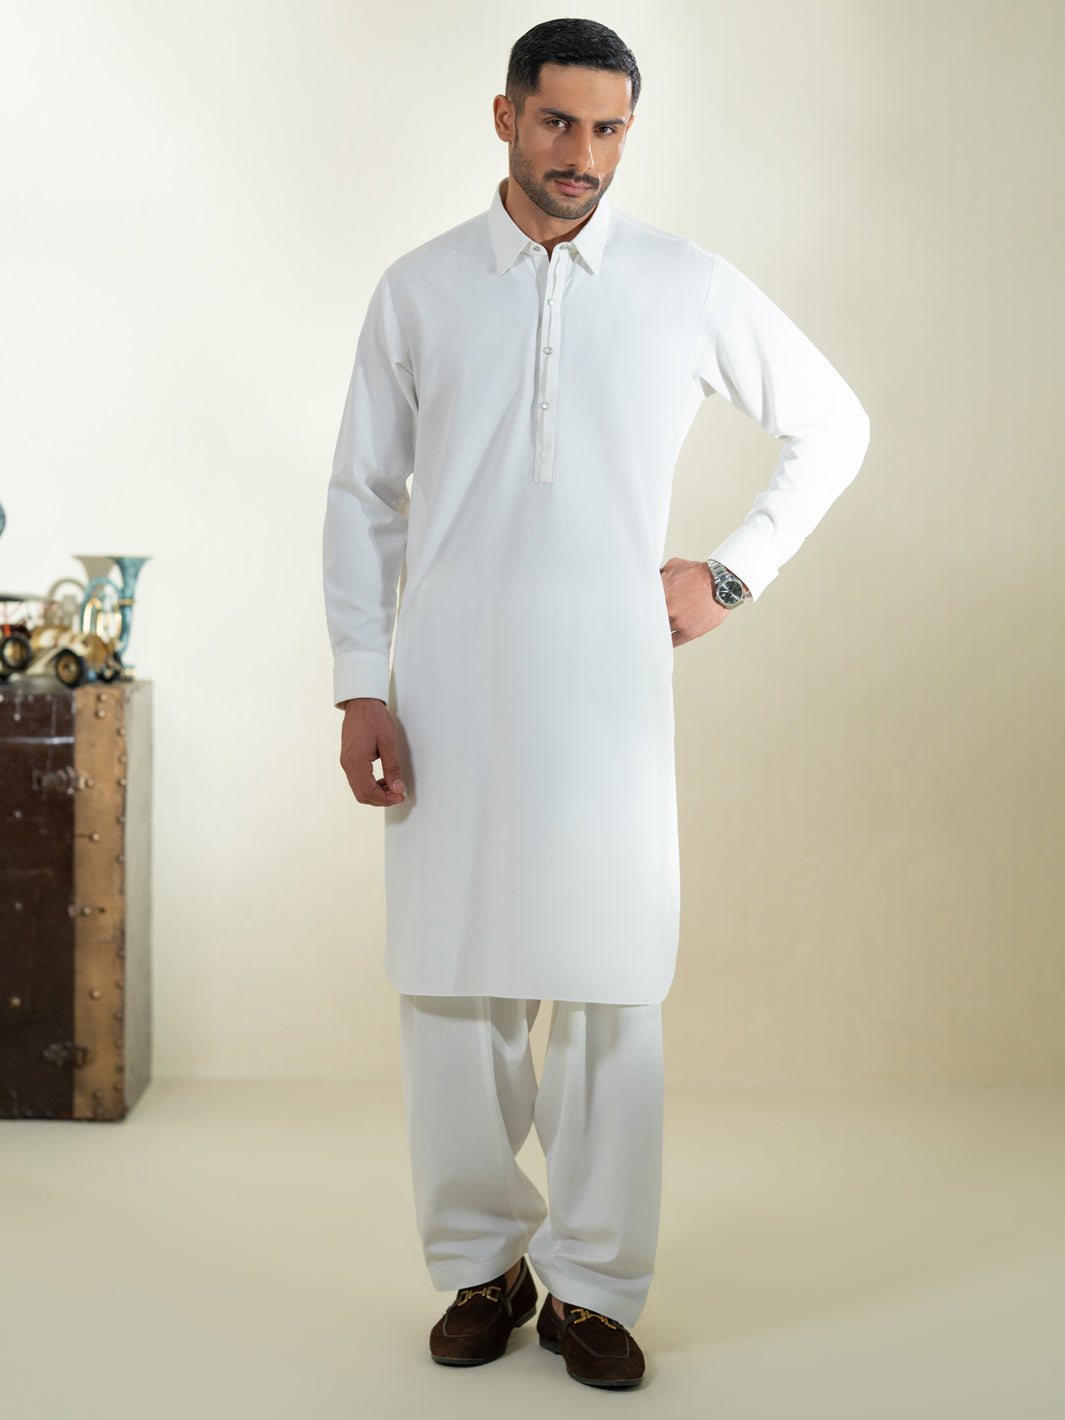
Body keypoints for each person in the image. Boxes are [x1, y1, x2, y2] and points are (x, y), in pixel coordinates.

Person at [322, 17, 870, 1391]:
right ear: (504, 116)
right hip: (446, 690)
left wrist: (732, 573)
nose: (583, 154)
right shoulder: (421, 288)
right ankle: (480, 1267)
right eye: (559, 122)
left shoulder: (684, 284)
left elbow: (833, 424)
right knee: (451, 991)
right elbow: (361, 494)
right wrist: (357, 683)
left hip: (609, 699)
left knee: (612, 991)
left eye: (609, 128)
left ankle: (594, 1291)